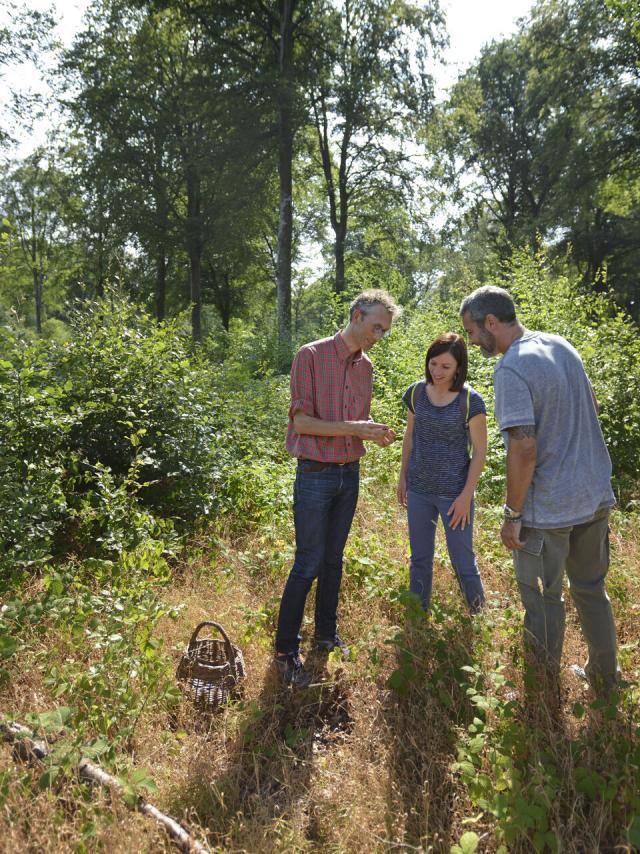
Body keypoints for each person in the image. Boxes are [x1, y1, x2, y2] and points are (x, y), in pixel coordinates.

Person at [460, 285, 619, 694]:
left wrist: (513, 515)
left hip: (550, 510)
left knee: (542, 599)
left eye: (474, 331)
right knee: (590, 589)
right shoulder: (561, 345)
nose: (473, 340)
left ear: (491, 322)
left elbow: (524, 447)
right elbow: (592, 407)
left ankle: (541, 691)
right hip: (594, 495)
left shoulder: (511, 368)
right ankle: (605, 677)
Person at [274, 289, 401, 686]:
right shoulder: (310, 356)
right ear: (356, 314)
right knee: (307, 563)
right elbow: (304, 424)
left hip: (349, 474)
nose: (378, 336)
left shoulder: (367, 368)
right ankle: (285, 650)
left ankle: (326, 636)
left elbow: (352, 422)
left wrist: (372, 432)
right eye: (375, 327)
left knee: (334, 560)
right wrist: (354, 428)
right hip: (315, 474)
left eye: (385, 331)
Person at [397, 333, 487, 612]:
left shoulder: (470, 401)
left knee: (462, 559)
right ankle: (418, 616)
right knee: (420, 558)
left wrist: (465, 497)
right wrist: (403, 478)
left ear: (458, 368)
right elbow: (410, 436)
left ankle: (479, 616)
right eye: (433, 364)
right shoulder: (416, 393)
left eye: (445, 367)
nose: (437, 371)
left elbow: (480, 453)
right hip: (420, 490)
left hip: (454, 495)